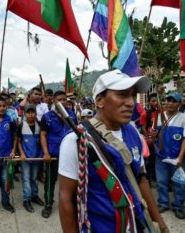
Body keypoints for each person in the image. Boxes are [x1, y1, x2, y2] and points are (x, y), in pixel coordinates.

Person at [58, 70, 168, 233]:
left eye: (132, 95)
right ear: (100, 101)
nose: (131, 102)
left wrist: (160, 222)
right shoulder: (75, 140)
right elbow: (66, 198)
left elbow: (141, 180)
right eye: (122, 95)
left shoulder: (133, 133)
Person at [40, 90, 76, 218]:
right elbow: (43, 135)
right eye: (59, 99)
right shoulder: (47, 116)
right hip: (53, 154)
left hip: (70, 155)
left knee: (71, 180)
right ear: (54, 101)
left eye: (64, 99)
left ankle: (72, 204)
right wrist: (46, 152)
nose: (62, 102)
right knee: (50, 180)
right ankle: (48, 204)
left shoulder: (72, 115)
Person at [155, 92, 185, 219]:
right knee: (161, 181)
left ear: (180, 103)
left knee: (180, 183)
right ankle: (163, 203)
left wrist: (180, 158)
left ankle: (178, 206)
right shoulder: (160, 116)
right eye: (168, 100)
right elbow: (156, 135)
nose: (170, 103)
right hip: (161, 157)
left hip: (177, 157)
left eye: (174, 101)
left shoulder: (183, 117)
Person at [17, 104, 44, 213]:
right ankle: (26, 200)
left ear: (36, 114)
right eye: (28, 112)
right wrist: (22, 153)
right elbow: (18, 141)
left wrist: (42, 154)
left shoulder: (40, 125)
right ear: (25, 114)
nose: (31, 114)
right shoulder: (21, 126)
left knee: (34, 178)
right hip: (26, 158)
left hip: (37, 157)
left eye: (33, 112)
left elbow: (42, 141)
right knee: (26, 179)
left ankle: (34, 196)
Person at [139, 93, 159, 182]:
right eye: (153, 101)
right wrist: (148, 138)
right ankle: (149, 177)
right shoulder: (145, 114)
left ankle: (156, 176)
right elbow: (143, 127)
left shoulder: (161, 113)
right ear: (149, 102)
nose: (156, 102)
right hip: (150, 140)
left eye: (156, 100)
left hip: (159, 140)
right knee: (150, 159)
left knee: (157, 158)